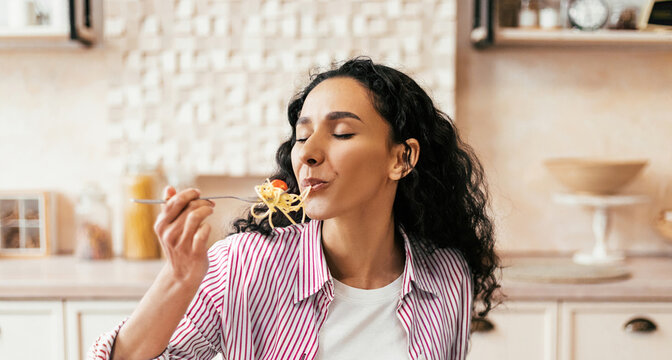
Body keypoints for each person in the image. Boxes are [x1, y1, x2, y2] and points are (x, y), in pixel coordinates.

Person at [90, 57, 500, 360]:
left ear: (401, 159)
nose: (308, 154)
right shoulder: (243, 266)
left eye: (341, 132)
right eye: (302, 136)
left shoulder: (448, 276)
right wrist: (178, 279)